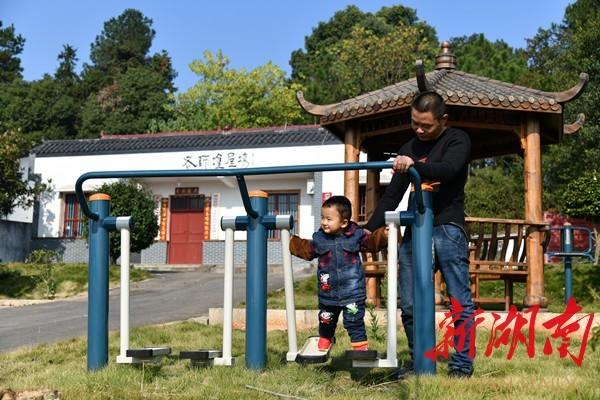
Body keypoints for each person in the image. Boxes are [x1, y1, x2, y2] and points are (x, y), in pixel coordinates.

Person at [364, 91, 475, 378]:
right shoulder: (408, 147)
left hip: (448, 227)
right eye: (414, 123)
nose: (419, 130)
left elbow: (448, 170)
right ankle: (420, 361)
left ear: (443, 120)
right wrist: (367, 229)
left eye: (426, 125)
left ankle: (461, 365)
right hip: (415, 230)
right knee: (410, 302)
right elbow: (392, 197)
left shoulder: (457, 139)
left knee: (459, 301)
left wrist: (415, 166)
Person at [290, 195, 387, 352]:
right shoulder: (319, 239)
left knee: (354, 320)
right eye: (322, 218)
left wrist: (383, 235)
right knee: (326, 319)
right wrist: (292, 242)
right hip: (328, 293)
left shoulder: (356, 235)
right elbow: (307, 250)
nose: (324, 222)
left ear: (343, 222)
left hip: (352, 292)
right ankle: (326, 337)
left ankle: (360, 346)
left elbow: (371, 243)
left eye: (329, 219)